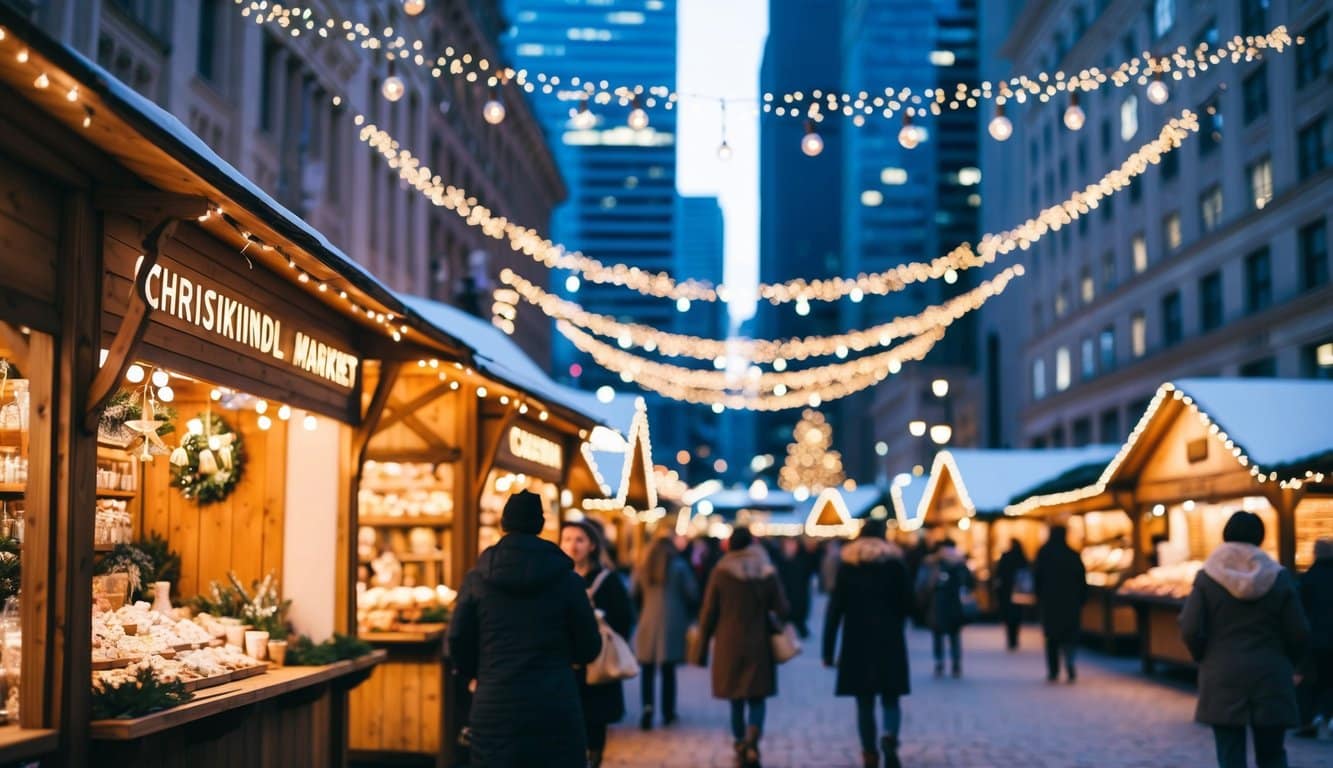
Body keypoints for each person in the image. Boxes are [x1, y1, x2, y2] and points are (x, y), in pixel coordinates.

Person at [447, 491, 602, 768]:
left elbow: (457, 638)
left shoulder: (477, 579)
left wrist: (478, 672)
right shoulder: (567, 581)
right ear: (540, 525)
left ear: (503, 524)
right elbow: (590, 645)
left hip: (495, 704)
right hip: (554, 704)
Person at [1180, 511, 1310, 768]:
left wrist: (1204, 656)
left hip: (1222, 674)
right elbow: (1299, 631)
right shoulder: (1279, 577)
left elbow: (1190, 627)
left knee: (1230, 755)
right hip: (1271, 673)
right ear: (1261, 537)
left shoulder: (1208, 577)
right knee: (1272, 754)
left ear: (1225, 535)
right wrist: (1288, 662)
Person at [823, 519, 912, 768]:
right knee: (891, 698)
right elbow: (909, 603)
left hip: (857, 642)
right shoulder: (895, 565)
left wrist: (827, 651)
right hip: (890, 640)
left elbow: (835, 611)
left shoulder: (849, 566)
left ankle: (869, 754)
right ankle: (889, 737)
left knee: (864, 703)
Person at [699, 526, 790, 767]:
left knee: (736, 697)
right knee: (757, 697)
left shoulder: (720, 571)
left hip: (728, 643)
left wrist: (700, 650)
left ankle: (739, 741)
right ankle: (753, 739)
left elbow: (708, 612)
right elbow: (783, 609)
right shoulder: (766, 570)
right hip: (759, 641)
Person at [560, 519, 633, 768]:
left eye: (579, 540)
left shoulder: (607, 580)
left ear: (592, 545)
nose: (573, 545)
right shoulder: (557, 578)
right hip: (566, 663)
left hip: (597, 661)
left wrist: (601, 623)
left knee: (594, 721)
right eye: (567, 539)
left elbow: (624, 619)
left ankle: (594, 760)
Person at [632, 526, 698, 730]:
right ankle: (668, 712)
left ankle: (647, 708)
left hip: (647, 621)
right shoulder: (678, 566)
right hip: (672, 622)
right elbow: (692, 593)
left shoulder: (642, 567)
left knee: (647, 669)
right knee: (668, 671)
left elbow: (633, 593)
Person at [1033, 526, 1087, 682]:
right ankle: (1070, 663)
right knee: (1070, 636)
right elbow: (1081, 580)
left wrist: (1039, 598)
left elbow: (1038, 577)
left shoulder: (1044, 554)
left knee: (1052, 638)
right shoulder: (1072, 555)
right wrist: (1082, 599)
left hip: (1050, 603)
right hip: (1070, 602)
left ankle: (1053, 670)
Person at [916, 539, 973, 677]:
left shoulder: (932, 563)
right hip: (955, 603)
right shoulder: (960, 563)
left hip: (938, 603)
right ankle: (956, 663)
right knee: (954, 635)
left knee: (938, 634)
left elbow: (922, 584)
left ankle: (940, 663)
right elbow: (970, 583)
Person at [1298, 538, 1333, 738]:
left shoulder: (1307, 579)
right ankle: (1328, 714)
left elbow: (1300, 611)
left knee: (1316, 680)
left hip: (1315, 640)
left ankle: (1316, 716)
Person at [992, 538, 1030, 651]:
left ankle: (1010, 639)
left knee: (1009, 615)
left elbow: (999, 573)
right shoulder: (1022, 558)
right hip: (1019, 591)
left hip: (1007, 590)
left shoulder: (1006, 556)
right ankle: (1015, 638)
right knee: (1017, 615)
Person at [776, 537, 814, 638]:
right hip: (786, 596)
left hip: (799, 596)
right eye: (788, 544)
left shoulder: (803, 560)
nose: (790, 547)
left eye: (793, 544)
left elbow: (808, 573)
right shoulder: (779, 561)